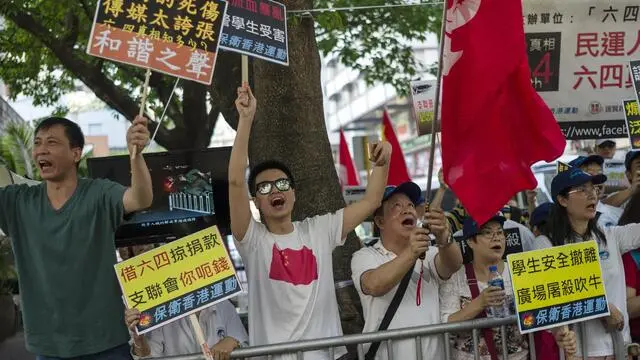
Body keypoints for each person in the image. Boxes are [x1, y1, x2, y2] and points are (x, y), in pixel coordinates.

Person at [228, 83, 391, 360]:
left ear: (293, 192)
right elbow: (234, 181)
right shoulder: (252, 240)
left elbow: (371, 201)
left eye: (281, 183)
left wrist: (383, 160)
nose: (274, 190)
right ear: (255, 200)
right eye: (264, 188)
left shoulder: (320, 229)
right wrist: (245, 120)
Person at [0, 116, 153, 359]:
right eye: (37, 143)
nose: (41, 149)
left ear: (76, 153)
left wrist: (136, 155)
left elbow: (140, 199)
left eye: (51, 142)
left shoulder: (99, 193)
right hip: (49, 347)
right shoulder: (17, 201)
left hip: (106, 341)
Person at [351, 181, 462, 359]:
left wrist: (444, 237)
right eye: (397, 206)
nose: (407, 210)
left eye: (410, 205)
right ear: (380, 221)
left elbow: (453, 265)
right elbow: (374, 285)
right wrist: (411, 252)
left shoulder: (430, 251)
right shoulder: (365, 256)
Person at [548, 166, 640, 358]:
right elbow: (545, 301)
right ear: (562, 200)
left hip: (621, 347)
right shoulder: (548, 246)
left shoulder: (611, 236)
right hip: (581, 353)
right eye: (582, 190)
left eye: (594, 189)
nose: (592, 196)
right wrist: (601, 307)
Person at [440, 215, 531, 360]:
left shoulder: (520, 272)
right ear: (470, 241)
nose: (496, 238)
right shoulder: (456, 277)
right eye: (488, 233)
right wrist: (479, 303)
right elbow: (445, 323)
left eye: (500, 232)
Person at [124, 300, 248, 360]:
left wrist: (232, 341)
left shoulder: (223, 305)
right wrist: (138, 337)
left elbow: (243, 344)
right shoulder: (160, 313)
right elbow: (147, 357)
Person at [568, 155, 619, 229]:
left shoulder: (618, 214)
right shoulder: (558, 221)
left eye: (599, 174)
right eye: (589, 174)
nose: (598, 181)